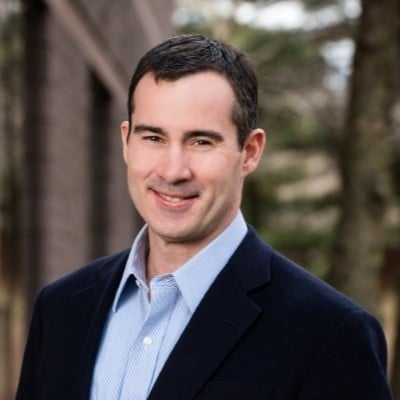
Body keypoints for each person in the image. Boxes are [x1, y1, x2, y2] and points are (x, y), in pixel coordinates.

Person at [16, 34, 392, 400]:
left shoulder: (329, 333)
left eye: (200, 141)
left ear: (250, 151)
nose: (173, 170)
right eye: (153, 138)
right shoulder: (61, 308)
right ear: (126, 141)